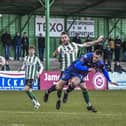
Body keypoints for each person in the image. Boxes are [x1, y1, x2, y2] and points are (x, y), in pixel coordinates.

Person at [43, 32, 104, 110]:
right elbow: (54, 54)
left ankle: (89, 105)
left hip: (76, 70)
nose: (64, 39)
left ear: (68, 38)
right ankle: (49, 93)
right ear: (61, 40)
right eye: (62, 38)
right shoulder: (60, 48)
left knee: (83, 87)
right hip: (65, 70)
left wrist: (97, 41)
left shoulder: (74, 45)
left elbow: (87, 44)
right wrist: (55, 54)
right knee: (59, 88)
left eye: (65, 37)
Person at [44, 50, 117, 112]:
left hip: (81, 74)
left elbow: (104, 71)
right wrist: (88, 69)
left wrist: (109, 80)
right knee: (58, 87)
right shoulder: (87, 56)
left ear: (100, 58)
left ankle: (88, 105)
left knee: (81, 86)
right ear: (93, 54)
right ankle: (47, 92)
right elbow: (77, 65)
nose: (94, 58)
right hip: (71, 70)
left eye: (96, 58)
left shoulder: (100, 63)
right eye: (94, 56)